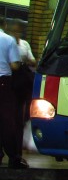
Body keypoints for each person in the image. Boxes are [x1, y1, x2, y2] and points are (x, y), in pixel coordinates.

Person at [0, 17, 28, 168]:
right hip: (3, 83)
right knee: (7, 121)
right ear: (4, 25)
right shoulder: (8, 40)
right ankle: (13, 157)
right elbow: (15, 66)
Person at [7, 19, 36, 152]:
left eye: (19, 31)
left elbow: (33, 61)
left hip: (21, 82)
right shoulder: (7, 42)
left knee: (20, 114)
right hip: (9, 81)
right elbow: (12, 64)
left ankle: (18, 144)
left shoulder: (24, 44)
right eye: (15, 31)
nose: (17, 33)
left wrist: (23, 61)